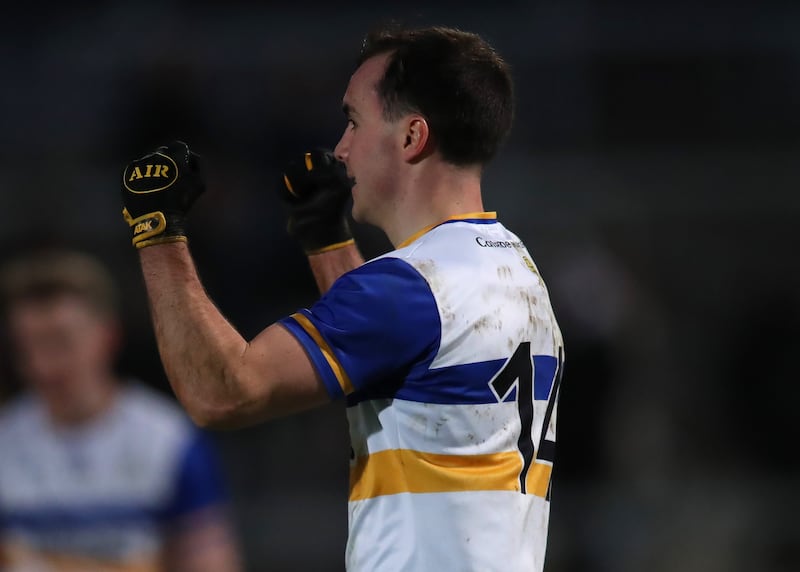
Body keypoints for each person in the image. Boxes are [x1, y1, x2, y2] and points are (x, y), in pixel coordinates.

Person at [120, 25, 564, 571]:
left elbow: (222, 392)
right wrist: (327, 244)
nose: (341, 147)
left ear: (411, 137)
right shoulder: (511, 265)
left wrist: (157, 231)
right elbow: (399, 357)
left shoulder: (409, 289)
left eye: (354, 121)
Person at [0, 249, 242, 572]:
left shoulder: (169, 442)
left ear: (107, 336)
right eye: (29, 346)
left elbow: (213, 563)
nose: (43, 365)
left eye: (60, 342)